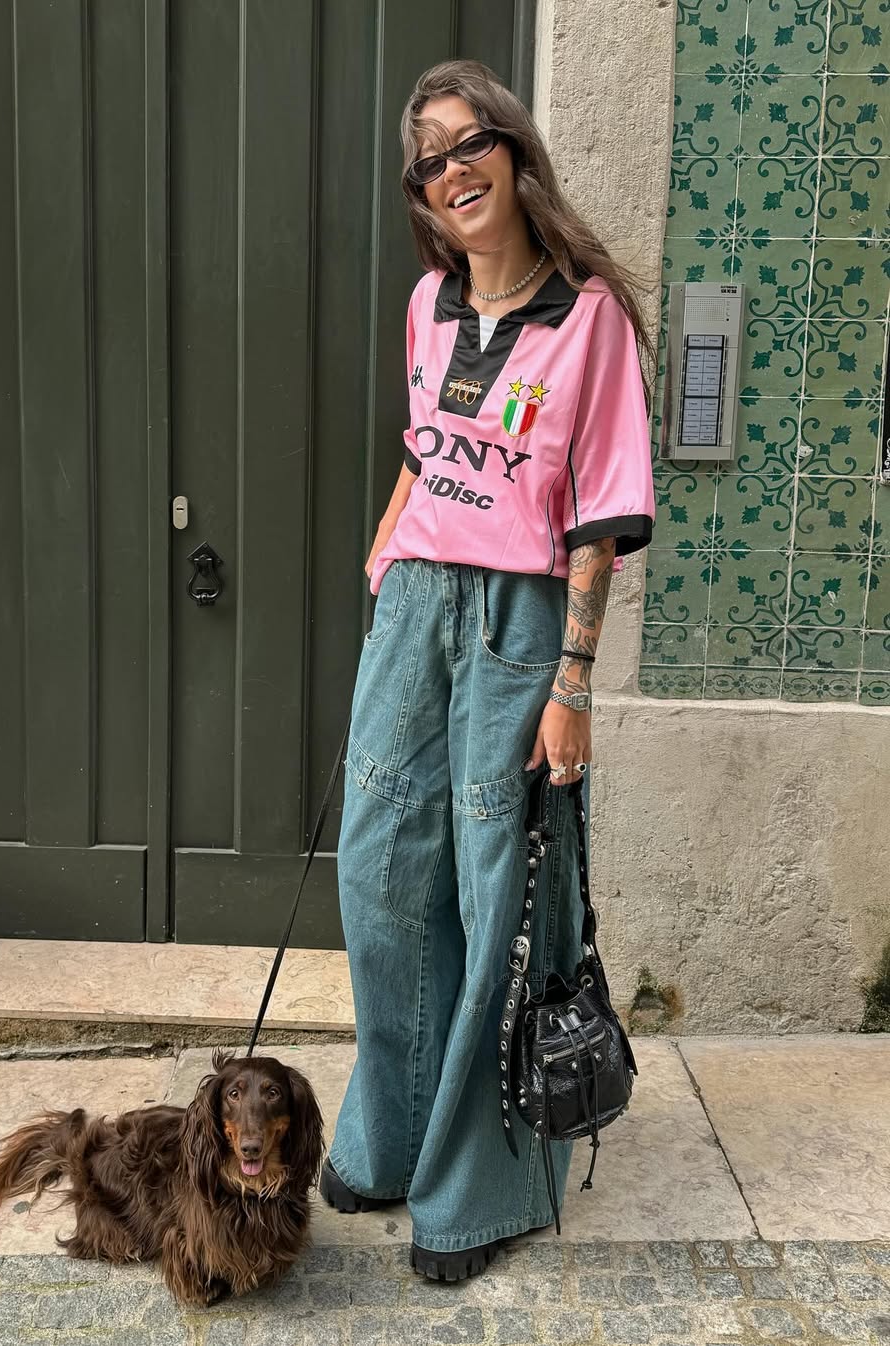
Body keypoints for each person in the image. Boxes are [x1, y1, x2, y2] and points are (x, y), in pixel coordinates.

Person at [319, 59, 656, 1279]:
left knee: (495, 889)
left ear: (514, 156)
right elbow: (427, 438)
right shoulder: (429, 304)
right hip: (415, 607)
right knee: (379, 868)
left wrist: (573, 686)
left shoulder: (590, 318)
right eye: (428, 160)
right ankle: (392, 1130)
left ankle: (479, 1184)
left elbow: (601, 516)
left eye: (471, 146)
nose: (451, 171)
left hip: (522, 619)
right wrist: (389, 536)